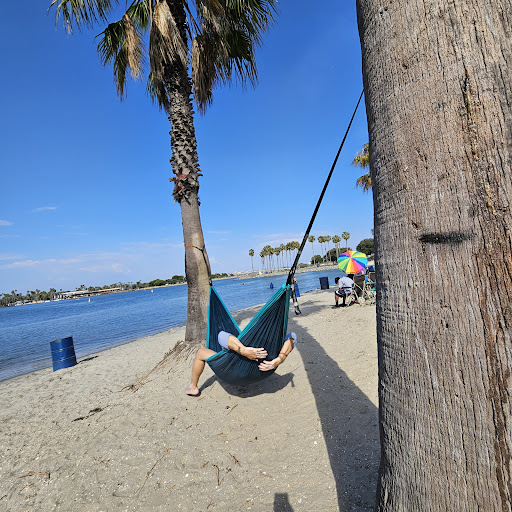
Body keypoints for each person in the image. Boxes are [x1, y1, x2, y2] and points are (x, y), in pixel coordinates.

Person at [185, 331, 297, 396]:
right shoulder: (275, 345)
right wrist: (278, 360)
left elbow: (221, 336)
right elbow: (293, 337)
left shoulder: (251, 339)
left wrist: (244, 351)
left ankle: (193, 387)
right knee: (292, 335)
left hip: (233, 371)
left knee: (201, 352)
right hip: (263, 371)